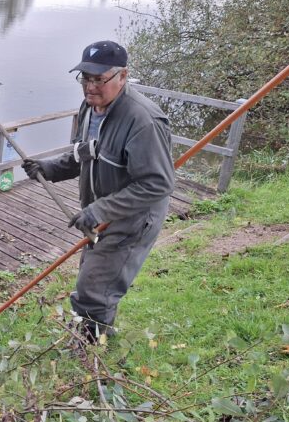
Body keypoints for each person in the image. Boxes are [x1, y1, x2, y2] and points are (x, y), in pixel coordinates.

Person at [22, 40, 175, 343]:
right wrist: (50, 168)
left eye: (98, 79)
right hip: (99, 212)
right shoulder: (91, 108)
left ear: (122, 76)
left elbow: (158, 184)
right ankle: (100, 339)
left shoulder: (143, 121)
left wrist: (99, 210)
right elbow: (85, 155)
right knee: (94, 278)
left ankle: (89, 356)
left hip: (132, 218)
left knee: (94, 288)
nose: (90, 87)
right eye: (85, 78)